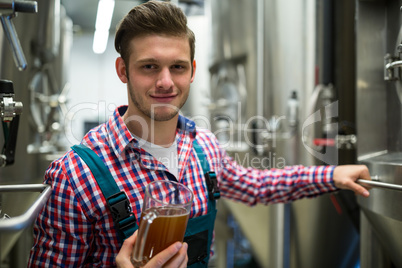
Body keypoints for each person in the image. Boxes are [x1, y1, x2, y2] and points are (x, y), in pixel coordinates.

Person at [28, 1, 371, 267]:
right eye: (149, 67)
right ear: (123, 71)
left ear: (192, 71)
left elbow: (256, 186)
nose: (165, 81)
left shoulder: (202, 146)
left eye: (177, 67)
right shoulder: (75, 176)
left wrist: (332, 174)